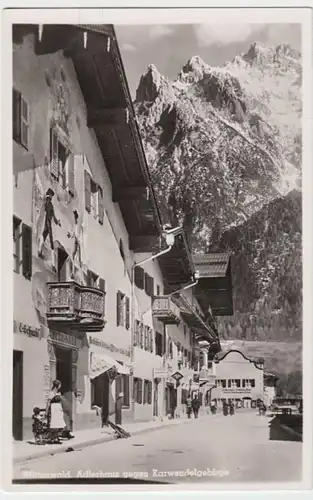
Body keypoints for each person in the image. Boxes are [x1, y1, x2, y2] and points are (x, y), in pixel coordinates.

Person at [38, 189, 61, 268]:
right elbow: (52, 217)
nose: (51, 197)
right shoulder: (49, 204)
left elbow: (53, 217)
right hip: (47, 223)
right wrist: (57, 222)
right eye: (51, 196)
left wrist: (57, 222)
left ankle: (39, 251)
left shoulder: (46, 203)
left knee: (43, 237)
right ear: (49, 195)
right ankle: (53, 264)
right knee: (51, 242)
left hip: (46, 223)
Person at [67, 210, 82, 280]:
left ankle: (72, 272)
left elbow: (74, 233)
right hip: (76, 241)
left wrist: (70, 234)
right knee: (72, 256)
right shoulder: (75, 224)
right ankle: (72, 272)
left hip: (75, 241)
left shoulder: (75, 225)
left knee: (72, 256)